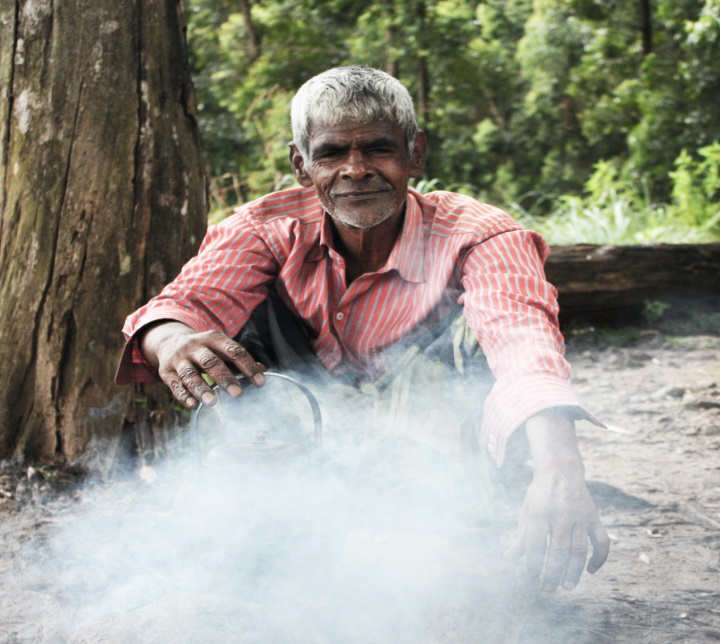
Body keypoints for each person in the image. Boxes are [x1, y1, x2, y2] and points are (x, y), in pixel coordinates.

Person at [116, 65, 609, 592]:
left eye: (378, 148)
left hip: (433, 422)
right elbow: (179, 307)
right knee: (246, 555)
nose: (356, 170)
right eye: (331, 154)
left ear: (415, 154)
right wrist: (173, 342)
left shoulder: (480, 234)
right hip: (299, 418)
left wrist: (560, 470)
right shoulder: (264, 229)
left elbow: (523, 339)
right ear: (300, 164)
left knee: (434, 571)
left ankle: (461, 513)